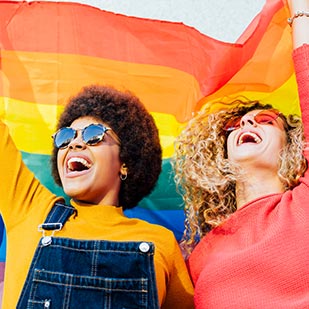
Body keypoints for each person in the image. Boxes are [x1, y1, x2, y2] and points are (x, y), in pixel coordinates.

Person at [0, 85, 194, 308]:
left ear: (125, 163)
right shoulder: (30, 209)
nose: (74, 143)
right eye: (65, 137)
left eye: (94, 135)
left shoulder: (161, 242)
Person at [173, 0, 309, 307]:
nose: (247, 121)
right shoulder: (196, 258)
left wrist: (300, 12)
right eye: (235, 125)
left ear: (292, 146)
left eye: (265, 120)